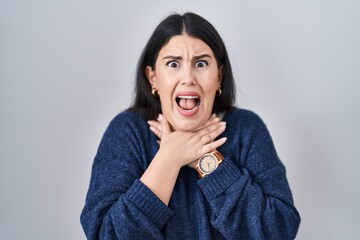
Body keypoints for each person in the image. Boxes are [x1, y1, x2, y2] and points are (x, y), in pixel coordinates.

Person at [80, 12, 301, 239]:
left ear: (218, 77)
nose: (188, 77)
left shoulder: (247, 129)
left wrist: (206, 161)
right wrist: (170, 157)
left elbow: (279, 230)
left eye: (201, 63)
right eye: (173, 64)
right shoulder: (127, 132)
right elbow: (105, 235)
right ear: (153, 78)